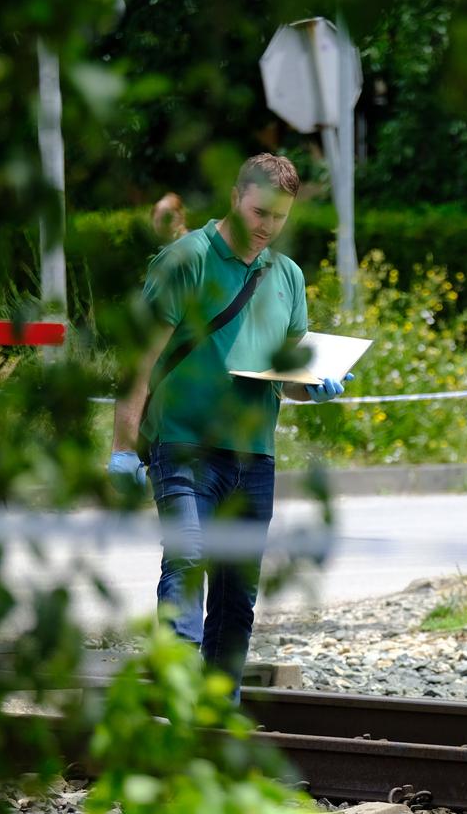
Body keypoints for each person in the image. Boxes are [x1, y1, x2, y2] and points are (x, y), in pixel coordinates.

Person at [109, 154, 350, 699]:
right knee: (188, 565)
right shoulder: (186, 259)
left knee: (237, 596)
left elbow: (280, 375)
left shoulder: (286, 275)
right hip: (183, 445)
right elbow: (140, 360)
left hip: (253, 456)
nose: (266, 226)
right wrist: (123, 447)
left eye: (280, 217)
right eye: (259, 210)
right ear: (236, 194)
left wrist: (312, 382)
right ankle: (175, 704)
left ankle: (218, 712)